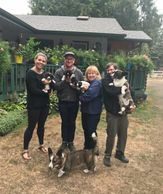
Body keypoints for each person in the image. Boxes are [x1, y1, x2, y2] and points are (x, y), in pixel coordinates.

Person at [102, 62, 135, 167]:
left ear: (116, 70)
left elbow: (130, 91)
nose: (110, 72)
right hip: (112, 113)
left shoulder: (123, 80)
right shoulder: (105, 80)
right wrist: (122, 89)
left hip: (123, 113)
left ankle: (120, 153)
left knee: (123, 134)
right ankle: (107, 155)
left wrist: (131, 104)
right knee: (111, 135)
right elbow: (111, 91)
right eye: (108, 70)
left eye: (112, 70)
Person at [22, 52, 52, 160]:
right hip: (34, 105)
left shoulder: (45, 74)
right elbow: (33, 90)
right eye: (39, 60)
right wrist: (45, 92)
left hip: (44, 105)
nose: (41, 62)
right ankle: (25, 150)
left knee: (41, 126)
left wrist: (49, 87)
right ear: (35, 60)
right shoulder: (30, 73)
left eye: (43, 61)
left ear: (45, 63)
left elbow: (49, 86)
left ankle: (41, 145)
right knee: (31, 127)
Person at [54, 51, 84, 151]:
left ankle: (70, 142)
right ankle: (64, 142)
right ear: (64, 60)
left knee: (72, 122)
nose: (69, 60)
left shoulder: (78, 72)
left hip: (74, 102)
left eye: (71, 59)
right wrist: (64, 82)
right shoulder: (59, 72)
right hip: (63, 101)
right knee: (64, 122)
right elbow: (56, 87)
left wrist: (74, 86)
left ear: (74, 60)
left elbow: (81, 87)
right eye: (67, 58)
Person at [79, 65, 103, 150]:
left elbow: (87, 97)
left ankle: (92, 149)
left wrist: (81, 93)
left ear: (97, 74)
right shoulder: (89, 83)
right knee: (86, 130)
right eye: (89, 73)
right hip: (86, 111)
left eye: (93, 73)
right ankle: (87, 147)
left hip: (93, 112)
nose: (91, 75)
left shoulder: (97, 83)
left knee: (91, 131)